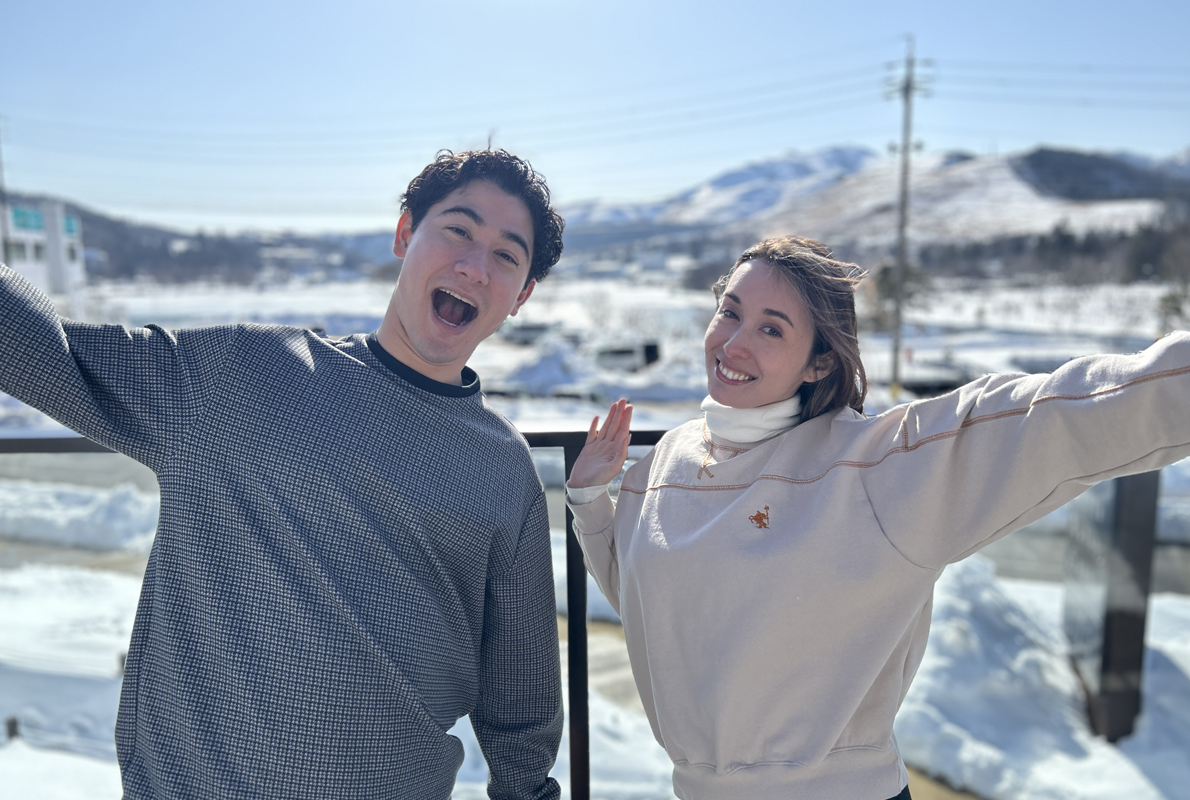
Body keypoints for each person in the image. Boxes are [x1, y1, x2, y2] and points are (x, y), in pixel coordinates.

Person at [0, 149, 566, 800]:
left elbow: (521, 697)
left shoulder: (503, 468)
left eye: (506, 256)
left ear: (521, 295)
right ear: (405, 234)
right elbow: (44, 351)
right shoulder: (242, 375)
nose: (473, 266)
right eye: (458, 230)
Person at [565, 235, 1190, 800]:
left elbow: (1052, 418)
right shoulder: (668, 457)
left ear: (820, 363)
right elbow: (653, 608)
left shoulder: (872, 468)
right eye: (730, 312)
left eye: (772, 329)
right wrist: (591, 502)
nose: (733, 344)